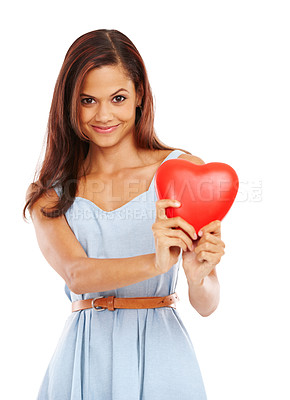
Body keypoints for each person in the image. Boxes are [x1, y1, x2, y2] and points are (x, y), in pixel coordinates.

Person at [23, 29, 225, 400]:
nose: (104, 115)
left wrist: (199, 278)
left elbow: (208, 302)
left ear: (139, 96)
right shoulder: (50, 196)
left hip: (164, 357)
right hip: (85, 360)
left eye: (118, 98)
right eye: (87, 100)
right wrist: (157, 262)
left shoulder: (182, 173)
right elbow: (78, 274)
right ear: (69, 103)